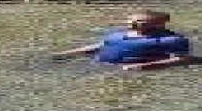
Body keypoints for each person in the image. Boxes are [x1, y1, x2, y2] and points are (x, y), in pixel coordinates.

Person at [53, 10, 194, 70]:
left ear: (159, 24)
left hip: (131, 69)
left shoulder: (171, 40)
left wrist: (142, 67)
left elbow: (182, 60)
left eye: (139, 21)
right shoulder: (117, 35)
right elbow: (100, 46)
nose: (132, 24)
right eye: (130, 20)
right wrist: (66, 54)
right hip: (101, 66)